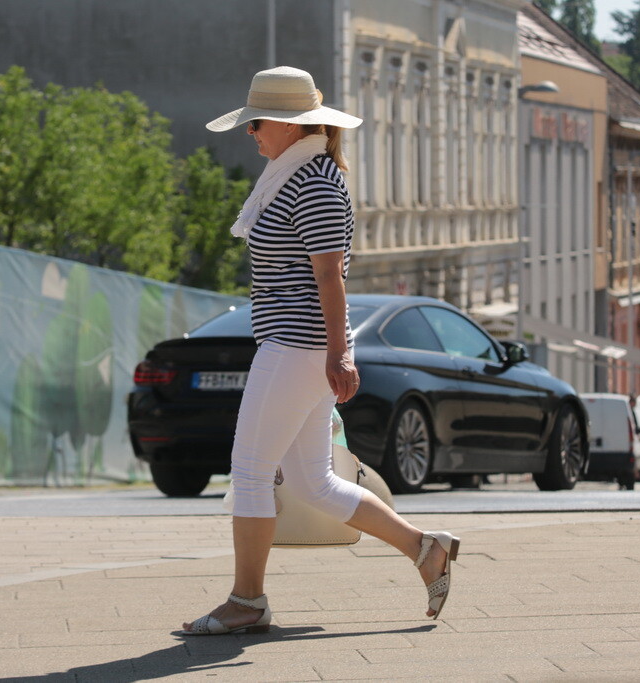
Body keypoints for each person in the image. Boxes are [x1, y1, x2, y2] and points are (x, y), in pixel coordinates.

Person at [182, 66, 460, 636]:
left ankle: (247, 601)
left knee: (251, 471)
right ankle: (424, 548)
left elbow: (331, 275)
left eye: (255, 123)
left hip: (297, 348)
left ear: (287, 125)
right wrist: (333, 353)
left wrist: (340, 354)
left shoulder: (310, 182)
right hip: (302, 347)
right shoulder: (294, 175)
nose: (250, 133)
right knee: (313, 483)